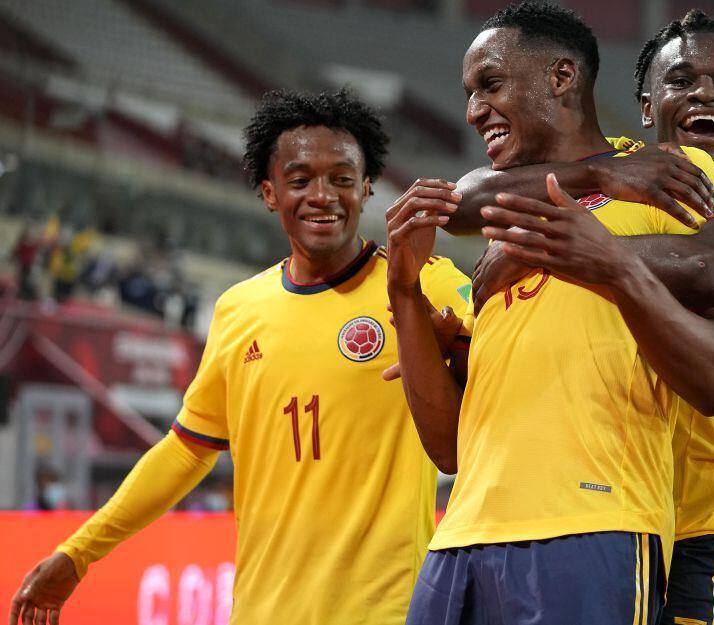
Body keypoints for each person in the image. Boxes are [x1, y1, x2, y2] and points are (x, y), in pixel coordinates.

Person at [8, 89, 472, 625]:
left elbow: (510, 368)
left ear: (366, 188)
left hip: (387, 613)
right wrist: (78, 552)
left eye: (342, 178)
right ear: (270, 193)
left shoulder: (424, 284)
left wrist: (462, 343)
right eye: (300, 180)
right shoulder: (238, 310)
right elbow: (186, 451)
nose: (322, 195)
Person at [466, 10, 714, 624]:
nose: (704, 93)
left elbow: (710, 267)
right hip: (589, 512)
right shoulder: (621, 169)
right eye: (680, 80)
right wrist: (594, 171)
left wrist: (545, 249)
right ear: (646, 106)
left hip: (693, 527)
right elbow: (468, 198)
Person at [390, 4, 714, 624]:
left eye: (490, 85)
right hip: (460, 536)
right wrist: (405, 297)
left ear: (561, 77)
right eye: (470, 94)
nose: (474, 111)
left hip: (593, 524)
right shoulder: (504, 224)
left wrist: (610, 264)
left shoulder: (674, 179)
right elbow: (448, 451)